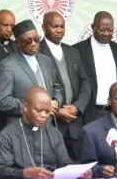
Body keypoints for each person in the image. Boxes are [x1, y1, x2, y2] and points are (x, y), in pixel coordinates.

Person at [0, 87, 92, 179]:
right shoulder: (7, 136)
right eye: (38, 110)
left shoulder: (54, 133)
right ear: (26, 107)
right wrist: (25, 173)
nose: (44, 115)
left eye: (47, 111)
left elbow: (65, 165)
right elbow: (0, 173)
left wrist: (80, 174)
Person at [39, 12, 91, 162]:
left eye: (62, 26)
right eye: (55, 26)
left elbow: (85, 82)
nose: (59, 30)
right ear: (43, 27)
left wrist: (77, 107)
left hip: (75, 122)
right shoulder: (36, 51)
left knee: (76, 172)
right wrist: (55, 110)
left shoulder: (73, 52)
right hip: (51, 123)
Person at [0, 19, 62, 124]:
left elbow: (56, 86)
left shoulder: (46, 61)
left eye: (36, 39)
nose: (34, 44)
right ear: (17, 43)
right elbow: (3, 101)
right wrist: (35, 108)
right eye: (28, 41)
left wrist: (56, 101)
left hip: (48, 125)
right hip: (22, 127)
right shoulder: (7, 66)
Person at [73, 11, 117, 124]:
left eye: (110, 30)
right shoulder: (77, 50)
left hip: (115, 113)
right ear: (93, 27)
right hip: (88, 114)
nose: (106, 33)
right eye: (102, 30)